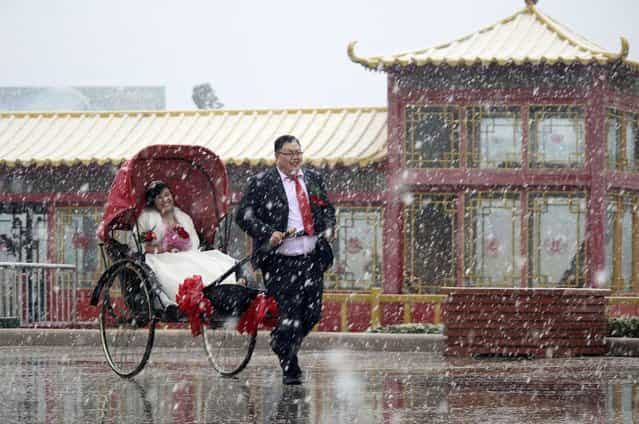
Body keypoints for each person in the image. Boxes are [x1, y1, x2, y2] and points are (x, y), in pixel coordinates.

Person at [235, 134, 336, 385]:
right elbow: (243, 216)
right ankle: (290, 367)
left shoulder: (312, 179)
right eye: (289, 153)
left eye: (298, 152)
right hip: (281, 261)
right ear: (277, 156)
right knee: (289, 314)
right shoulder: (262, 182)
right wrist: (269, 233)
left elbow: (327, 209)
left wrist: (329, 227)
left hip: (312, 257)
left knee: (312, 313)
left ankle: (282, 342)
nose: (295, 158)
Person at [131, 180, 238, 315]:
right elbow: (141, 245)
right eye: (159, 197)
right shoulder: (147, 218)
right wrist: (163, 248)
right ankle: (177, 302)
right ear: (153, 202)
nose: (165, 200)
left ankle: (216, 294)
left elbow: (194, 242)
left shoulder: (183, 218)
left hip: (186, 255)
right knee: (173, 273)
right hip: (160, 258)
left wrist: (182, 247)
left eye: (167, 195)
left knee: (208, 263)